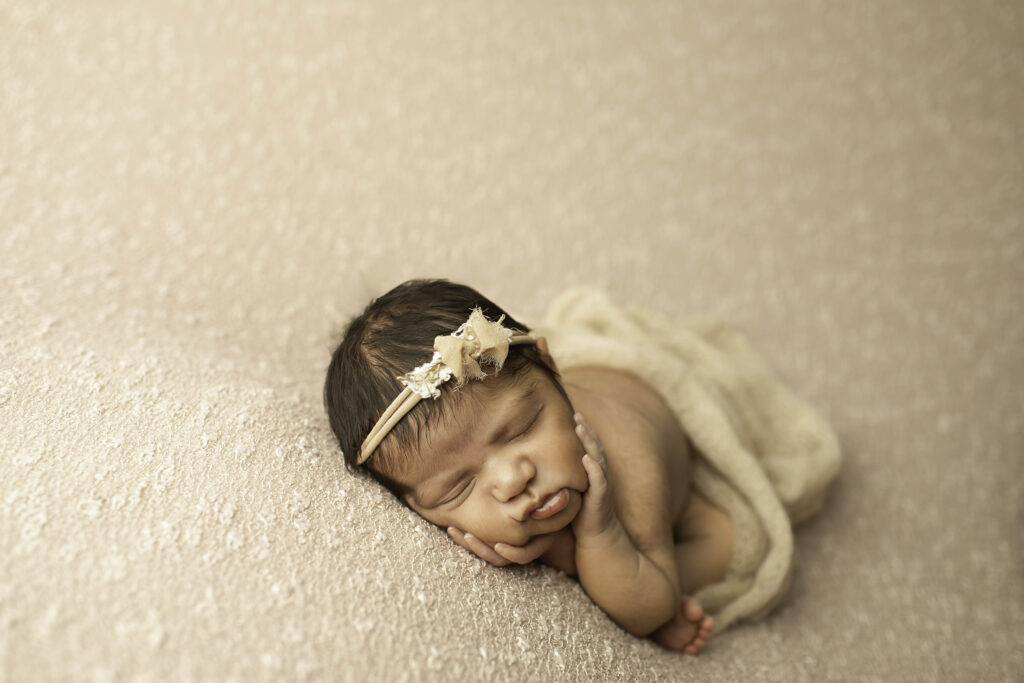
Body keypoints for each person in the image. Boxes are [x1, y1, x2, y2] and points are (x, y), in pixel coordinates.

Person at [324, 278, 741, 654]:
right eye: (458, 487)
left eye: (520, 430)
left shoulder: (631, 455)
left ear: (552, 367)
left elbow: (649, 608)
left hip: (654, 442)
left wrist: (597, 537)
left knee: (726, 543)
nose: (512, 479)